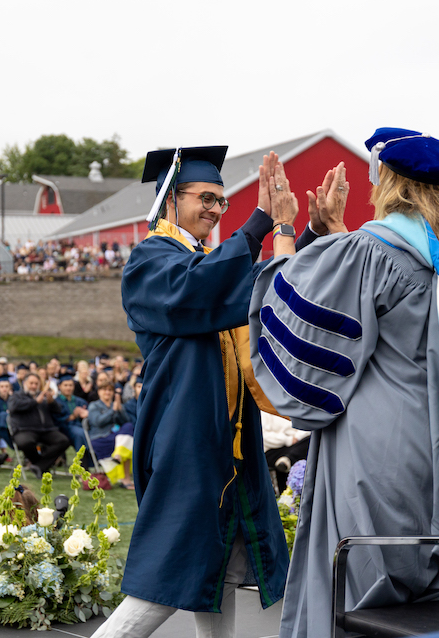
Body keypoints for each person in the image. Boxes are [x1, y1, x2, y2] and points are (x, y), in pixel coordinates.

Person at [248, 128, 439, 638]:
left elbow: (303, 330)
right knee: (429, 604)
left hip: (377, 462)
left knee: (363, 601)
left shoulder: (369, 252)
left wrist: (284, 231)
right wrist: (339, 234)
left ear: (386, 180)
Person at [93, 146, 324, 638]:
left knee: (221, 571)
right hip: (186, 438)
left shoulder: (205, 261)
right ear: (169, 200)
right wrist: (261, 222)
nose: (216, 210)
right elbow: (203, 289)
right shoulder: (150, 259)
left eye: (222, 202)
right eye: (206, 198)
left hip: (230, 442)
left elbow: (264, 290)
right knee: (164, 580)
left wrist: (310, 233)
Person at [7, 373, 69, 478]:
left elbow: (59, 410)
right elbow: (14, 407)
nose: (34, 386)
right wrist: (35, 402)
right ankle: (40, 465)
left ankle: (39, 466)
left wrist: (52, 402)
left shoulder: (43, 395)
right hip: (24, 429)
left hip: (45, 429)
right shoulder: (17, 396)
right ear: (24, 383)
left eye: (36, 383)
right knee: (25, 442)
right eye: (31, 383)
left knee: (63, 441)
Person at [86, 380, 134, 487]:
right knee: (129, 441)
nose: (107, 392)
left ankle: (118, 455)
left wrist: (120, 409)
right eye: (104, 390)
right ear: (99, 392)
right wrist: (112, 410)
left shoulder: (115, 404)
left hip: (114, 438)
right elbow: (98, 422)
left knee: (129, 428)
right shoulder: (94, 405)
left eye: (110, 390)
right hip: (100, 438)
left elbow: (126, 421)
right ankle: (125, 479)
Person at [261, 411, 311, 489]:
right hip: (273, 450)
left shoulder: (297, 405)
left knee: (310, 440)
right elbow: (264, 437)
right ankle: (288, 460)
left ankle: (287, 460)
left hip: (297, 444)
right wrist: (289, 440)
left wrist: (297, 437)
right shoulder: (264, 410)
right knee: (295, 455)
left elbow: (308, 426)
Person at [54, 374, 89, 454]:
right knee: (79, 434)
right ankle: (83, 459)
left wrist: (84, 413)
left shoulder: (80, 401)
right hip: (65, 428)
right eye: (65, 385)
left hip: (81, 425)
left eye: (70, 385)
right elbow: (56, 419)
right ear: (59, 386)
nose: (68, 388)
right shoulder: (56, 402)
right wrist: (72, 417)